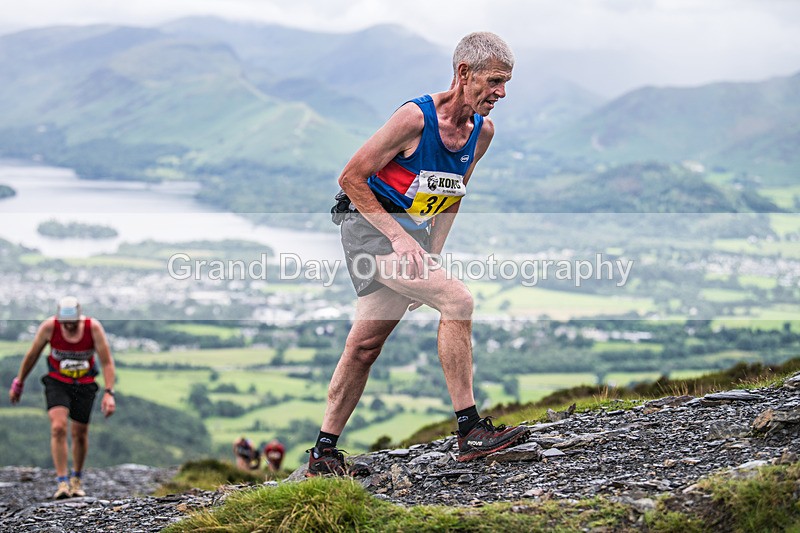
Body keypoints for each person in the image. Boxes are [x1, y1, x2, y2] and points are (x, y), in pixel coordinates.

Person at [308, 32, 529, 476]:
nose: (502, 92)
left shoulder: (481, 132)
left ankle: (322, 455)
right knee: (458, 300)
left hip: (408, 238)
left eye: (507, 83)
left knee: (364, 346)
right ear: (464, 73)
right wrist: (401, 240)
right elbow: (350, 177)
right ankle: (470, 432)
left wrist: (432, 253)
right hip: (368, 230)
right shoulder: (415, 118)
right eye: (495, 81)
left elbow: (453, 194)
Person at [8, 296, 116, 499]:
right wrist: (19, 383)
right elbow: (32, 355)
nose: (69, 327)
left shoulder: (93, 328)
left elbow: (106, 362)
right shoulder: (49, 327)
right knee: (58, 427)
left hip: (84, 384)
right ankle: (62, 482)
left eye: (73, 323)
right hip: (57, 382)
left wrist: (109, 393)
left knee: (79, 432)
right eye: (65, 324)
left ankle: (76, 479)